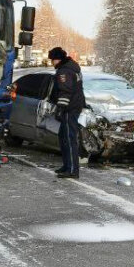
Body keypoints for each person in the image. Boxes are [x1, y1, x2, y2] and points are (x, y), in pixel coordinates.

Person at [48, 47, 85, 178]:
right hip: (73, 106)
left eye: (52, 60)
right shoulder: (70, 68)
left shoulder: (64, 71)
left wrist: (61, 108)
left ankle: (73, 170)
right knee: (63, 136)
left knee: (69, 139)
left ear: (57, 59)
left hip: (70, 108)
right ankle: (67, 166)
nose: (52, 63)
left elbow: (65, 92)